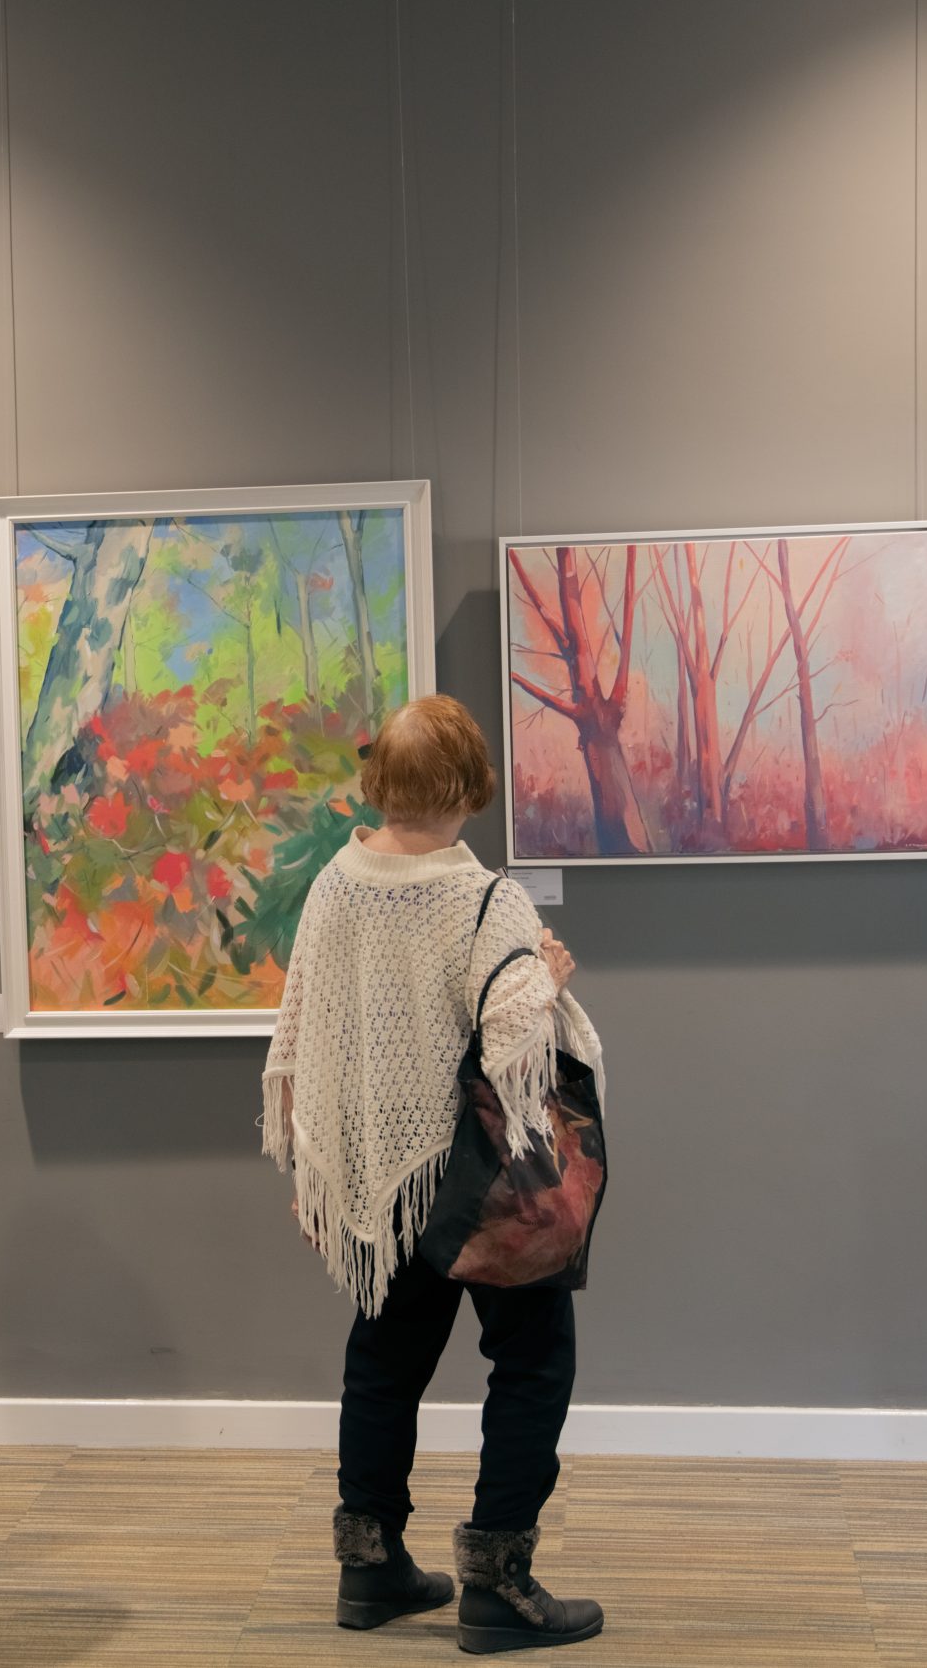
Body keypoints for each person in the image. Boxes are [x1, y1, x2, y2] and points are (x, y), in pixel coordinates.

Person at [261, 694, 605, 1653]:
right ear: (468, 786)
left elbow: (299, 1037)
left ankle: (370, 1569)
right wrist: (549, 980)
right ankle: (500, 1581)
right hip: (481, 1185)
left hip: (379, 1180)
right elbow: (509, 1049)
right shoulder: (489, 899)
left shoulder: (335, 883)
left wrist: (314, 1170)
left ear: (381, 782)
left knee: (383, 1364)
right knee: (533, 1362)